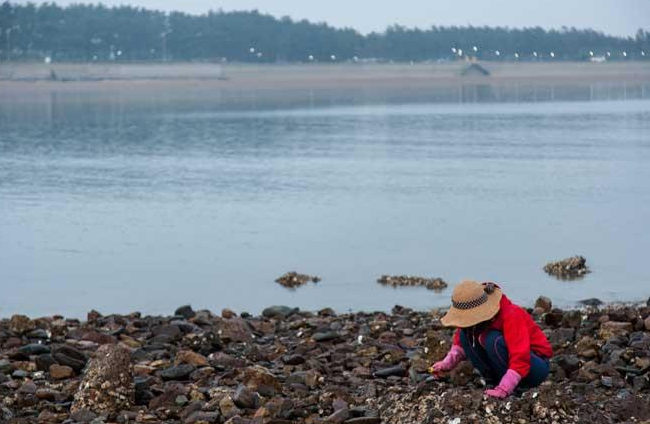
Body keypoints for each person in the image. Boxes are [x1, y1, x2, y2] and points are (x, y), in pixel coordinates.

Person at [430, 280, 553, 398]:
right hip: (507, 365)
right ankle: (493, 381)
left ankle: (513, 386)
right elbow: (460, 344)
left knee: (492, 340)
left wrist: (504, 389)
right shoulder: (473, 324)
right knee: (464, 334)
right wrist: (446, 364)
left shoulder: (511, 314)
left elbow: (521, 357)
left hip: (535, 366)